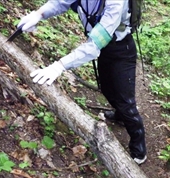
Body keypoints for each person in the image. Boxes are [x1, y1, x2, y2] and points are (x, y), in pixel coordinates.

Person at [18, 0, 147, 165]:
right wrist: (38, 14)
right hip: (105, 50)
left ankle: (139, 146)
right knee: (107, 89)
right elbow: (60, 2)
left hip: (121, 49)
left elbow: (94, 45)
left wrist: (59, 66)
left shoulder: (116, 2)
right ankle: (120, 116)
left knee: (126, 103)